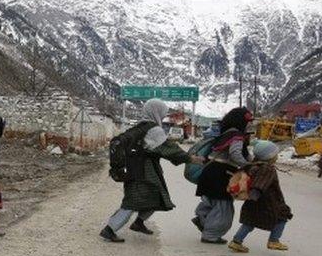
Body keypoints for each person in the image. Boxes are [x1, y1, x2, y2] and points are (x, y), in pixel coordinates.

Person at [100, 99, 192, 242]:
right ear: (156, 111)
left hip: (136, 169)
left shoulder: (140, 127)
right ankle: (109, 229)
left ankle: (139, 223)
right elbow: (168, 149)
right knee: (132, 202)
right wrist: (189, 158)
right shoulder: (154, 130)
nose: (163, 114)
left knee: (156, 196)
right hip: (142, 172)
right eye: (162, 112)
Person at [193, 107, 253, 244]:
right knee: (223, 207)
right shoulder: (237, 135)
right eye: (247, 121)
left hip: (210, 171)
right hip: (222, 174)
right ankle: (211, 235)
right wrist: (248, 165)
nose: (248, 125)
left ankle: (202, 218)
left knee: (210, 201)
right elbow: (236, 154)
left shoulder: (225, 133)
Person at [228, 142, 293, 253]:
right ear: (269, 157)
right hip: (267, 201)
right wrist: (254, 195)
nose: (277, 156)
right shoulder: (267, 168)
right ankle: (274, 240)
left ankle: (236, 241)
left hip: (254, 200)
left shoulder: (253, 165)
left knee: (250, 222)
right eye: (275, 154)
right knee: (282, 216)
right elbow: (260, 183)